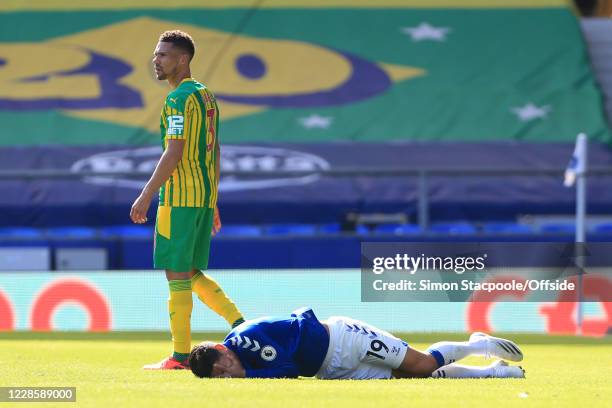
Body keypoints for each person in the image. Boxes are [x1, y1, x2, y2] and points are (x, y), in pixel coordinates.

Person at [130, 30, 244, 370]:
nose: (156, 60)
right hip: (201, 197)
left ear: (183, 60)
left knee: (176, 275)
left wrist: (146, 193)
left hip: (178, 198)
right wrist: (213, 198)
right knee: (189, 271)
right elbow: (214, 149)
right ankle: (241, 324)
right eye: (156, 54)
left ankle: (180, 356)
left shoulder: (178, 98)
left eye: (164, 55)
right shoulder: (206, 95)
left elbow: (175, 150)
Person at [189, 307, 525, 379]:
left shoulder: (247, 339)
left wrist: (246, 376)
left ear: (222, 349)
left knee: (421, 364)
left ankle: (477, 344)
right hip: (329, 370)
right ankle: (496, 373)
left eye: (226, 367)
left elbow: (288, 369)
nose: (229, 374)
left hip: (345, 340)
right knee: (410, 379)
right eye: (222, 375)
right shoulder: (234, 362)